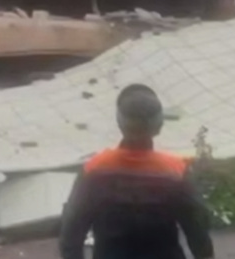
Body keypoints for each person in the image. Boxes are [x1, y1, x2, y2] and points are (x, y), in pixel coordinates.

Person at [59, 84, 215, 259]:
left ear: (120, 123)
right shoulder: (175, 170)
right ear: (158, 126)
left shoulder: (95, 169)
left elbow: (71, 232)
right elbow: (197, 227)